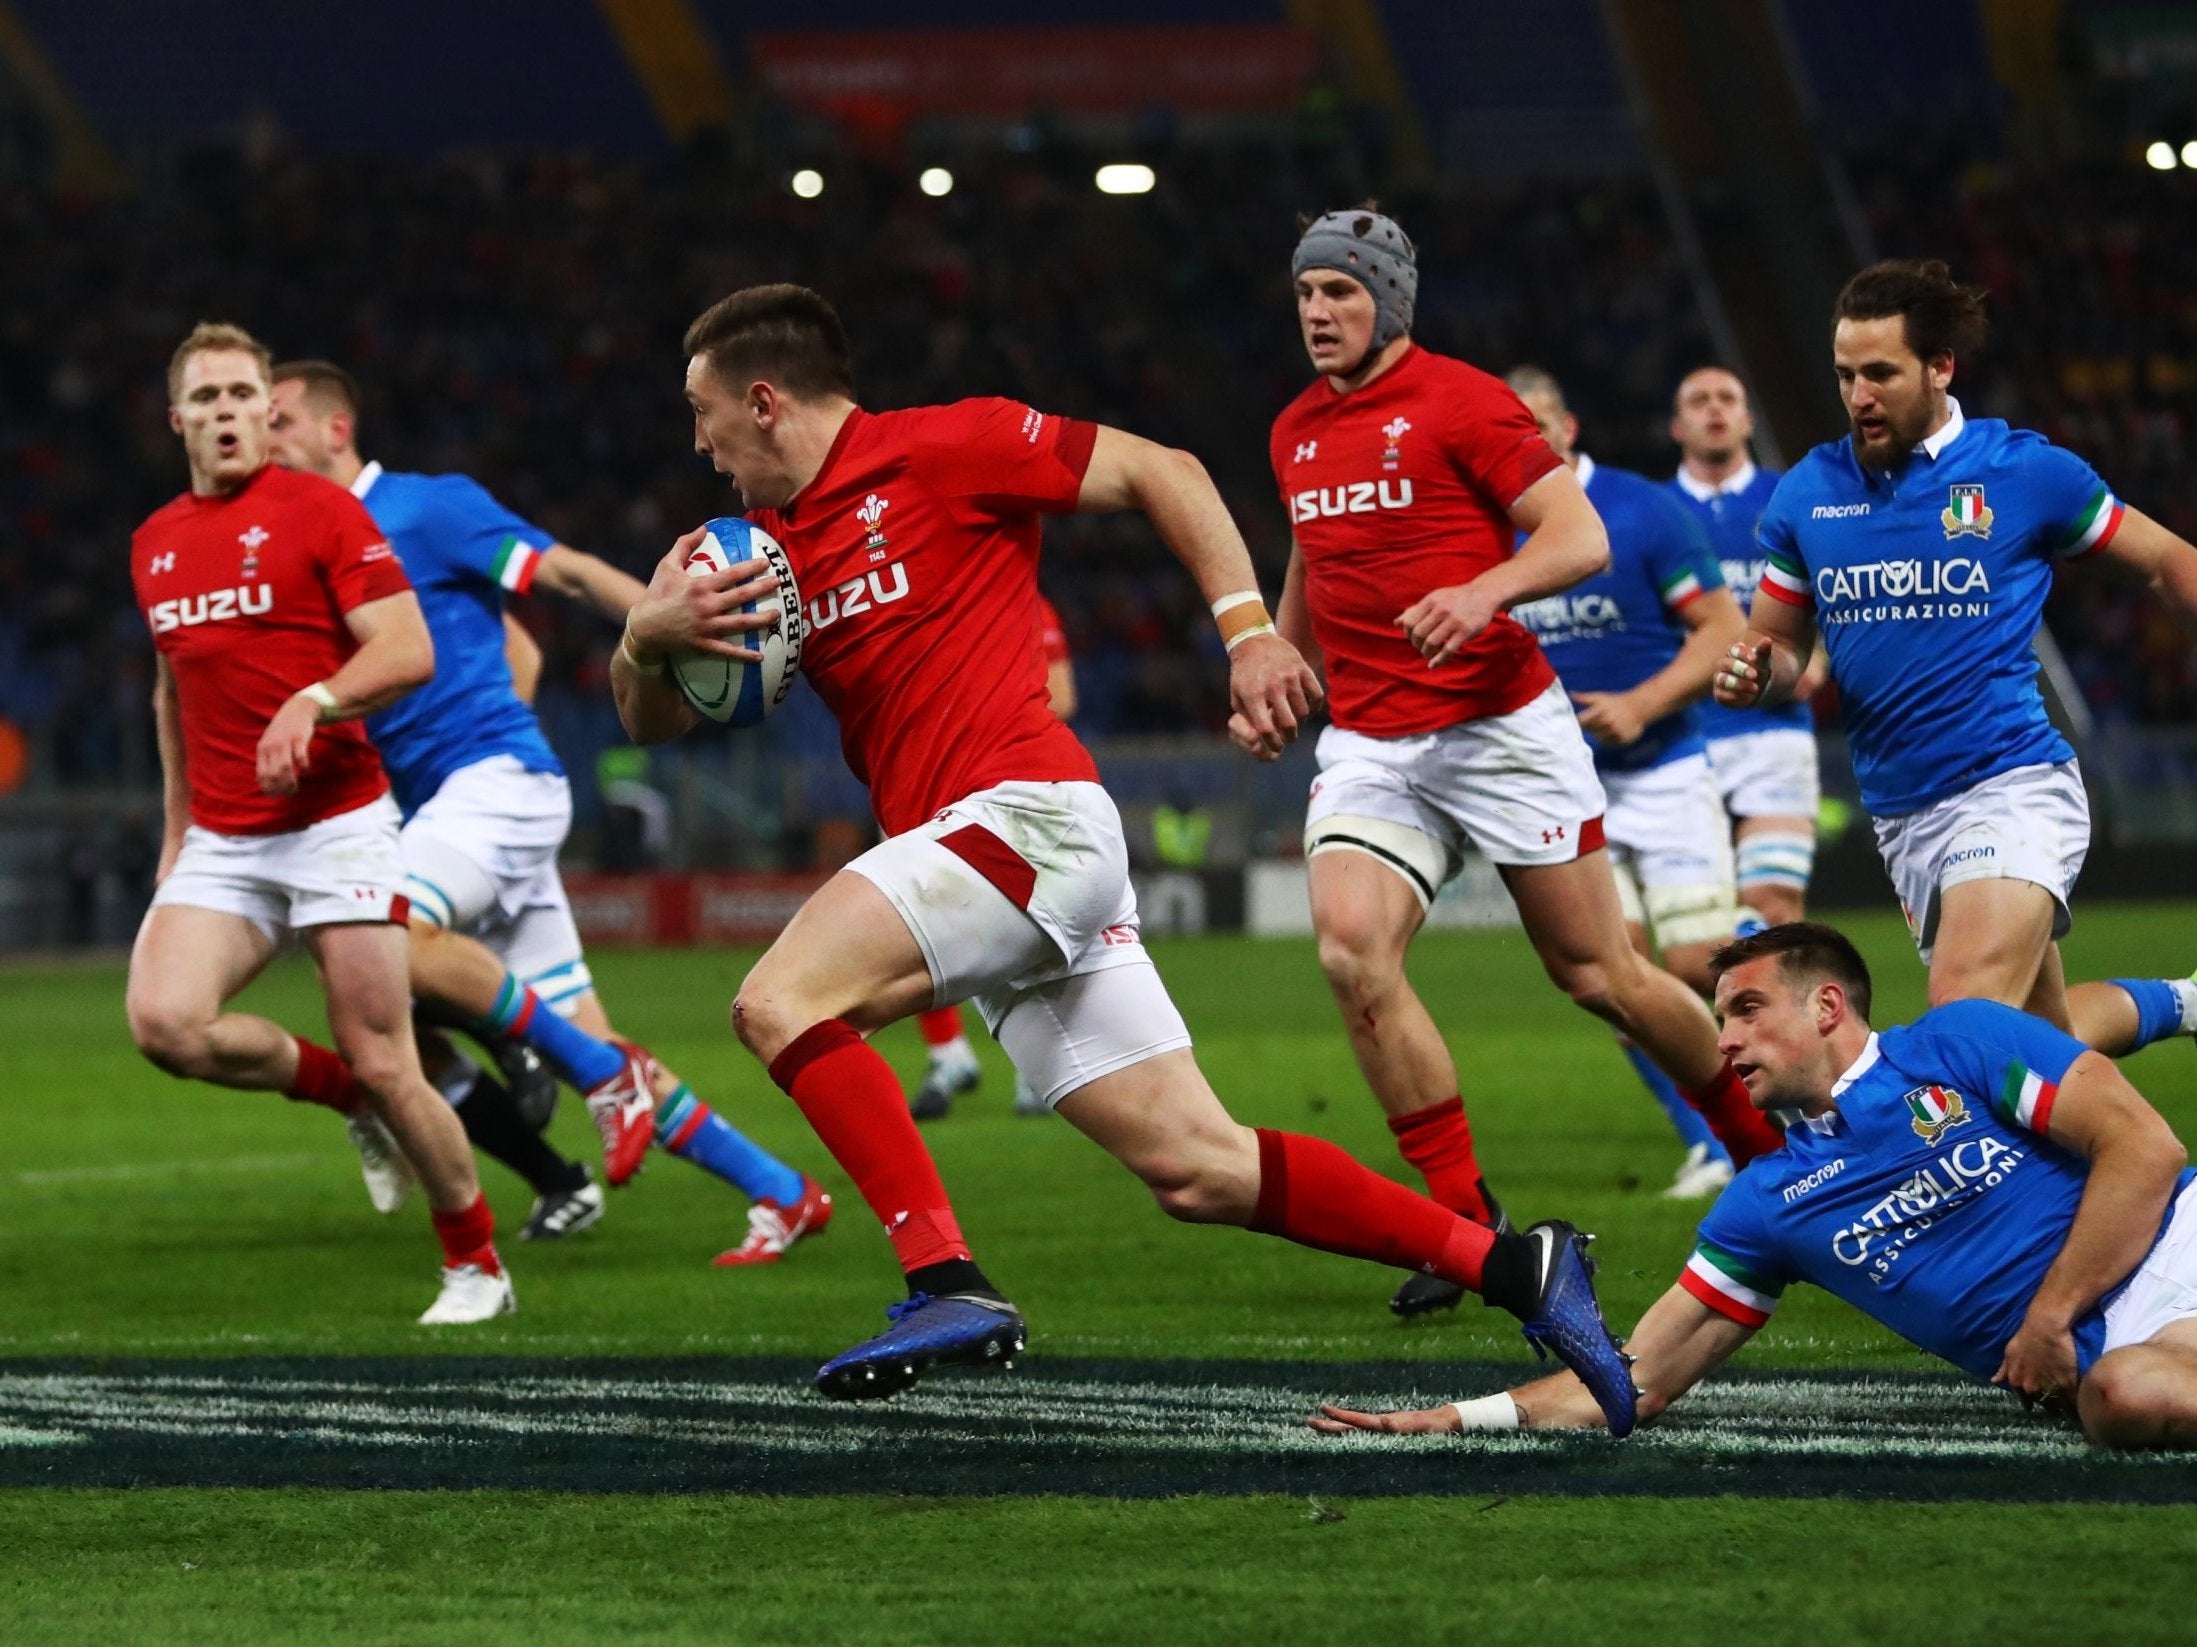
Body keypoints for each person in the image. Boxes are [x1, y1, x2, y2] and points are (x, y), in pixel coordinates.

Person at [610, 281, 1639, 1431]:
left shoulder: (947, 446)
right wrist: (644, 642)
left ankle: (942, 1280)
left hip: (1024, 815)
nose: (697, 446)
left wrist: (1249, 637)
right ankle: (1520, 1269)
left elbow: (1169, 470)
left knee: (779, 999)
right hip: (984, 857)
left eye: (702, 415)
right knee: (1198, 1166)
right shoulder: (761, 557)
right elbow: (654, 720)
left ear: (763, 402)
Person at [1267, 209, 1783, 1317]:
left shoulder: (1464, 399)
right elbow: (1315, 553)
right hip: (1371, 742)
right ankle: (1464, 1222)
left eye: (1341, 293)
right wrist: (1272, 658)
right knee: (1353, 954)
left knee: (1602, 977)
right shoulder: (1294, 430)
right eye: (1307, 293)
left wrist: (1483, 589)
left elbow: (1578, 536)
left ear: (1389, 302)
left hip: (1500, 729)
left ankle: (1763, 1156)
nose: (1318, 312)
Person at [266, 360, 831, 1265]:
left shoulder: (424, 507)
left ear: (336, 429)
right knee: (574, 1032)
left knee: (384, 935)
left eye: (280, 416)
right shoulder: (318, 546)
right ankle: (781, 1189)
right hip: (464, 810)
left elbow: (559, 574)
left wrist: (666, 615)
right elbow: (515, 649)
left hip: (491, 787)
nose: (263, 433)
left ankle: (564, 1068)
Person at [1313, 923, 2197, 1449]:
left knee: (2111, 1389)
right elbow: (1631, 1381)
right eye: (1717, 1020)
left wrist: (2045, 1319)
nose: (1724, 1041)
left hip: (2173, 1233)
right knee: (2120, 1400)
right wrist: (1453, 1419)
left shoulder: (1959, 1040)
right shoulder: (1764, 1204)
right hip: (2123, 1357)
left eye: (1744, 1010)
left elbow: (2144, 1150)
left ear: (1824, 1007)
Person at [122, 322, 510, 1324]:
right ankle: (346, 1100)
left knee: (391, 1052)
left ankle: (477, 1268)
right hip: (223, 836)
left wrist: (317, 701)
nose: (226, 414)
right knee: (164, 1025)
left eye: (242, 395)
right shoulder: (154, 542)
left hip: (335, 820)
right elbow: (173, 695)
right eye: (205, 399)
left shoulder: (322, 511)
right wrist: (175, 835)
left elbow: (407, 646)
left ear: (267, 408)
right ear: (178, 420)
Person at [1713, 260, 2197, 1058]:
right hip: (1903, 814)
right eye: (1843, 375)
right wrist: (1751, 673)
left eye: (1879, 373)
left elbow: (2164, 563)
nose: (1857, 396)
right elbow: (1779, 649)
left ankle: (2155, 1185)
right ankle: (2179, 1005)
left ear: (1940, 367)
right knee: (2047, 1043)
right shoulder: (1806, 492)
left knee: (1961, 1021)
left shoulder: (2023, 472)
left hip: (2010, 785)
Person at [1507, 367, 1749, 1201]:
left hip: (1668, 770)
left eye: (1537, 421)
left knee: (1693, 961)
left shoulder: (1641, 510)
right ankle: (1710, 1142)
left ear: (1567, 425)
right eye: (1510, 426)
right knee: (1614, 974)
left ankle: (1759, 1105)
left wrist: (1641, 704)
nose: (1527, 438)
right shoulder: (1481, 530)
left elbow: (1723, 627)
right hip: (1561, 791)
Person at [908, 592, 1078, 1122]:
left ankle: (1029, 1068)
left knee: (1009, 918)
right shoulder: (932, 596)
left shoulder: (1028, 606)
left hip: (1007, 784)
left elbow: (1064, 697)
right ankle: (951, 1054)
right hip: (936, 776)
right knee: (916, 908)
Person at [1667, 366, 1821, 928]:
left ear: (1747, 419)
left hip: (1772, 732)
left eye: (1727, 398)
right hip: (1678, 737)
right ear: (1676, 426)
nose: (1715, 409)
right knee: (1691, 925)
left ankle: (1771, 1018)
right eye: (1699, 400)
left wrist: (1818, 659)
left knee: (1774, 909)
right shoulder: (1651, 511)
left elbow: (1833, 599)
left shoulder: (1791, 499)